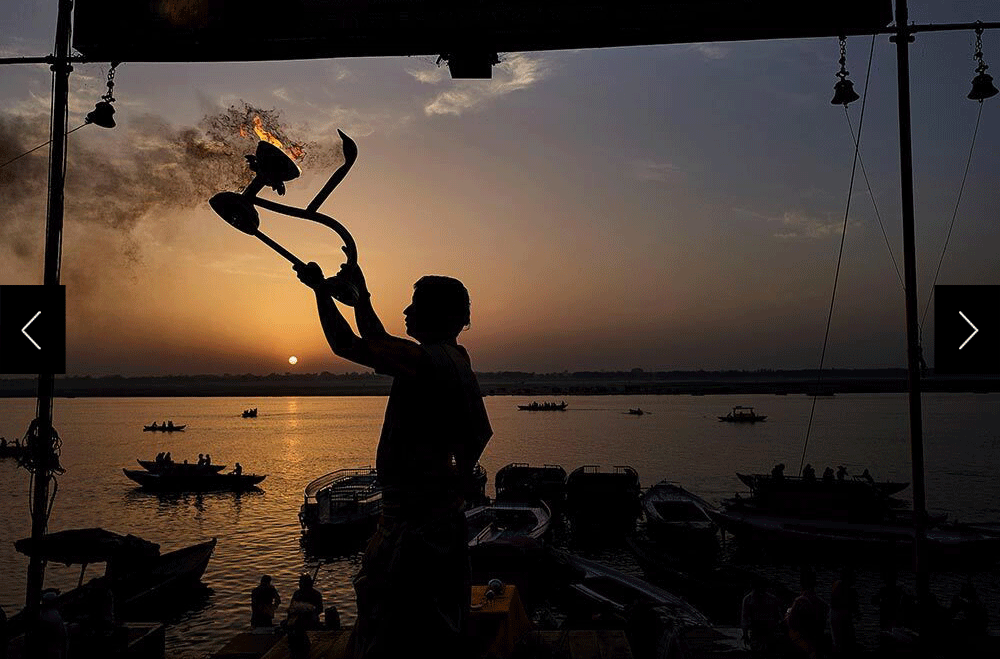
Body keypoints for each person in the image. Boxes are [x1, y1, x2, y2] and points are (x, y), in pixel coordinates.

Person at [295, 259, 492, 659]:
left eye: (414, 304)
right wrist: (360, 296)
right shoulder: (451, 357)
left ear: (440, 315)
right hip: (432, 522)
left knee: (399, 637)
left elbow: (348, 345)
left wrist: (318, 290)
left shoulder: (425, 361)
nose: (406, 312)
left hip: (416, 532)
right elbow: (379, 338)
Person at [786, 567, 829, 659]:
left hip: (803, 644)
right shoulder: (823, 604)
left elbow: (790, 623)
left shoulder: (799, 602)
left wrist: (788, 613)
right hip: (816, 641)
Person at [740, 576, 785, 652]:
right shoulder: (749, 599)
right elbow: (745, 618)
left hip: (767, 631)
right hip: (759, 631)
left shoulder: (749, 599)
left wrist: (745, 634)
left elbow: (745, 618)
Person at [830, 567, 859, 655]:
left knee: (837, 642)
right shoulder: (850, 591)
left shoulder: (836, 585)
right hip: (843, 619)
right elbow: (855, 610)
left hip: (835, 616)